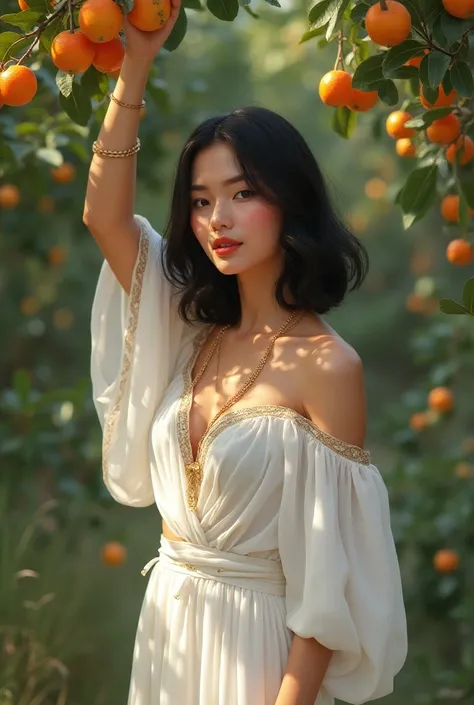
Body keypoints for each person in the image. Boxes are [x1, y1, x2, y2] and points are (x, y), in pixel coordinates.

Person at [84, 1, 407, 703]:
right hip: (169, 628)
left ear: (289, 200)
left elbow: (330, 588)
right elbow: (104, 217)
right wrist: (134, 63)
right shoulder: (190, 319)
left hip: (258, 656)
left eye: (242, 193)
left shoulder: (329, 366)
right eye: (200, 201)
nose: (217, 219)